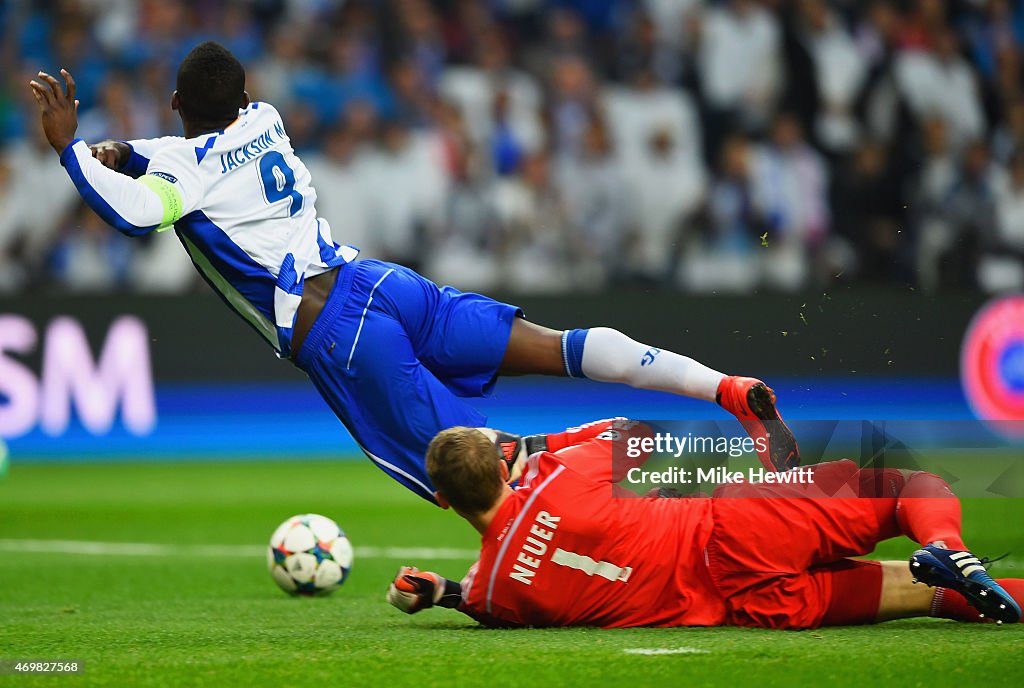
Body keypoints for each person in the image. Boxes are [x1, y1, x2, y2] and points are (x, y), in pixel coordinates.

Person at [28, 42, 797, 503]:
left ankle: (673, 477)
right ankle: (724, 390)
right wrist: (121, 151)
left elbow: (139, 211)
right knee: (553, 346)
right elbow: (178, 155)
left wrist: (71, 149)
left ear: (173, 103)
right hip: (381, 284)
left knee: (481, 478)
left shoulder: (185, 175)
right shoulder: (264, 122)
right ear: (245, 96)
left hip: (338, 333)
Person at [386, 419, 1023, 628]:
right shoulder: (560, 471)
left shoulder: (498, 587)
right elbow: (640, 436)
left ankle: (946, 579)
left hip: (743, 602)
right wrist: (537, 443)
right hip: (740, 523)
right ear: (502, 467)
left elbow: (486, 604)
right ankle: (948, 545)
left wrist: (438, 594)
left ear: (445, 501)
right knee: (911, 487)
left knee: (924, 596)